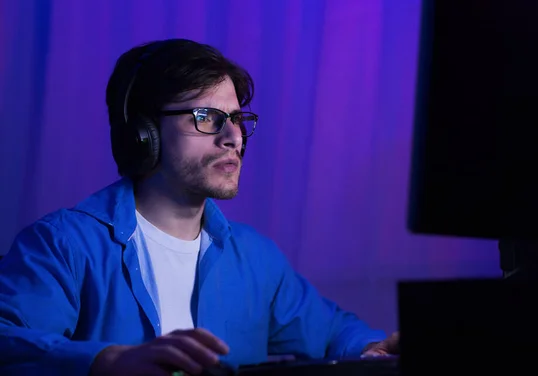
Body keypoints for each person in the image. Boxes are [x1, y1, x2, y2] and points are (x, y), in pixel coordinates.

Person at [0, 39, 399, 376]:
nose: (233, 137)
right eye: (207, 117)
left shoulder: (255, 257)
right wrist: (108, 360)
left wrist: (373, 347)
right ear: (143, 134)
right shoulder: (62, 244)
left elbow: (333, 332)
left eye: (238, 118)